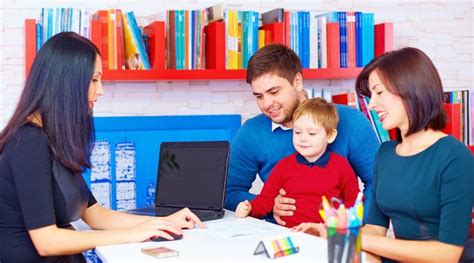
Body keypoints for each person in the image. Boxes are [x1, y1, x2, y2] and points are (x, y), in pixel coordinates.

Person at [0, 32, 205, 262]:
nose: (101, 90)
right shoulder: (27, 143)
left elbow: (95, 215)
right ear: (68, 82)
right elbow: (46, 241)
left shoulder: (54, 140)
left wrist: (162, 222)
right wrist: (131, 235)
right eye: (94, 79)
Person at [224, 44, 379, 225]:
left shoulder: (350, 121)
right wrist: (269, 205)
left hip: (337, 236)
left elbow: (378, 182)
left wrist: (356, 225)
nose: (267, 104)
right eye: (259, 96)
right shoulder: (252, 132)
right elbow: (229, 192)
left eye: (274, 92)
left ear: (297, 81)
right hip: (283, 238)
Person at [354, 47, 473, 261]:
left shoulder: (456, 157)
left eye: (379, 92)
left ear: (411, 88)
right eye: (371, 96)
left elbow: (447, 255)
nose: (372, 105)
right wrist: (339, 236)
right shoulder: (385, 153)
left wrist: (361, 241)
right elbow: (374, 227)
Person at [234, 98, 360, 229]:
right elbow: (266, 199)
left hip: (326, 235)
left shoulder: (341, 166)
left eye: (311, 133)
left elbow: (354, 200)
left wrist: (343, 223)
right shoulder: (284, 166)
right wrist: (249, 208)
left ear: (330, 136)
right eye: (297, 132)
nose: (303, 138)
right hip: (290, 234)